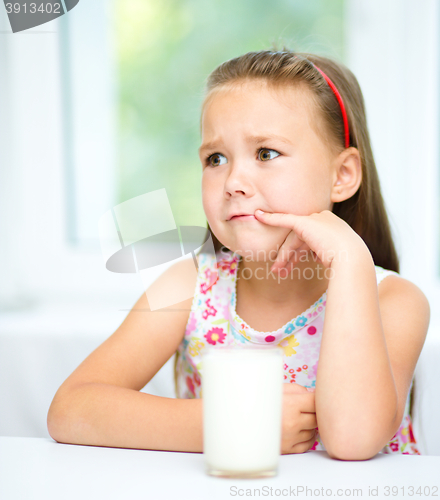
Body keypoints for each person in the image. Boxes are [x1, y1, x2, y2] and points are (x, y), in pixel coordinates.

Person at [47, 47, 430, 460]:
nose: (233, 181)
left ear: (342, 175)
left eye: (266, 153)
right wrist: (238, 423)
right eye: (216, 158)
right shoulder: (187, 286)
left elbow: (354, 441)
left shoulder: (395, 301)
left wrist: (350, 259)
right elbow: (71, 410)